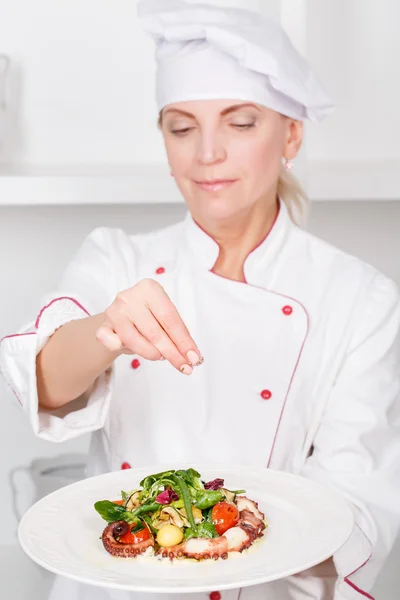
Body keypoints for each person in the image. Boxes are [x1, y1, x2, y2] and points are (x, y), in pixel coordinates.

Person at [1, 1, 399, 599]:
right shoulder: (117, 259)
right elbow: (47, 383)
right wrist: (108, 329)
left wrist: (232, 539)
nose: (206, 152)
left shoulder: (359, 298)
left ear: (291, 133)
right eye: (181, 127)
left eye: (240, 123)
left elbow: (356, 498)